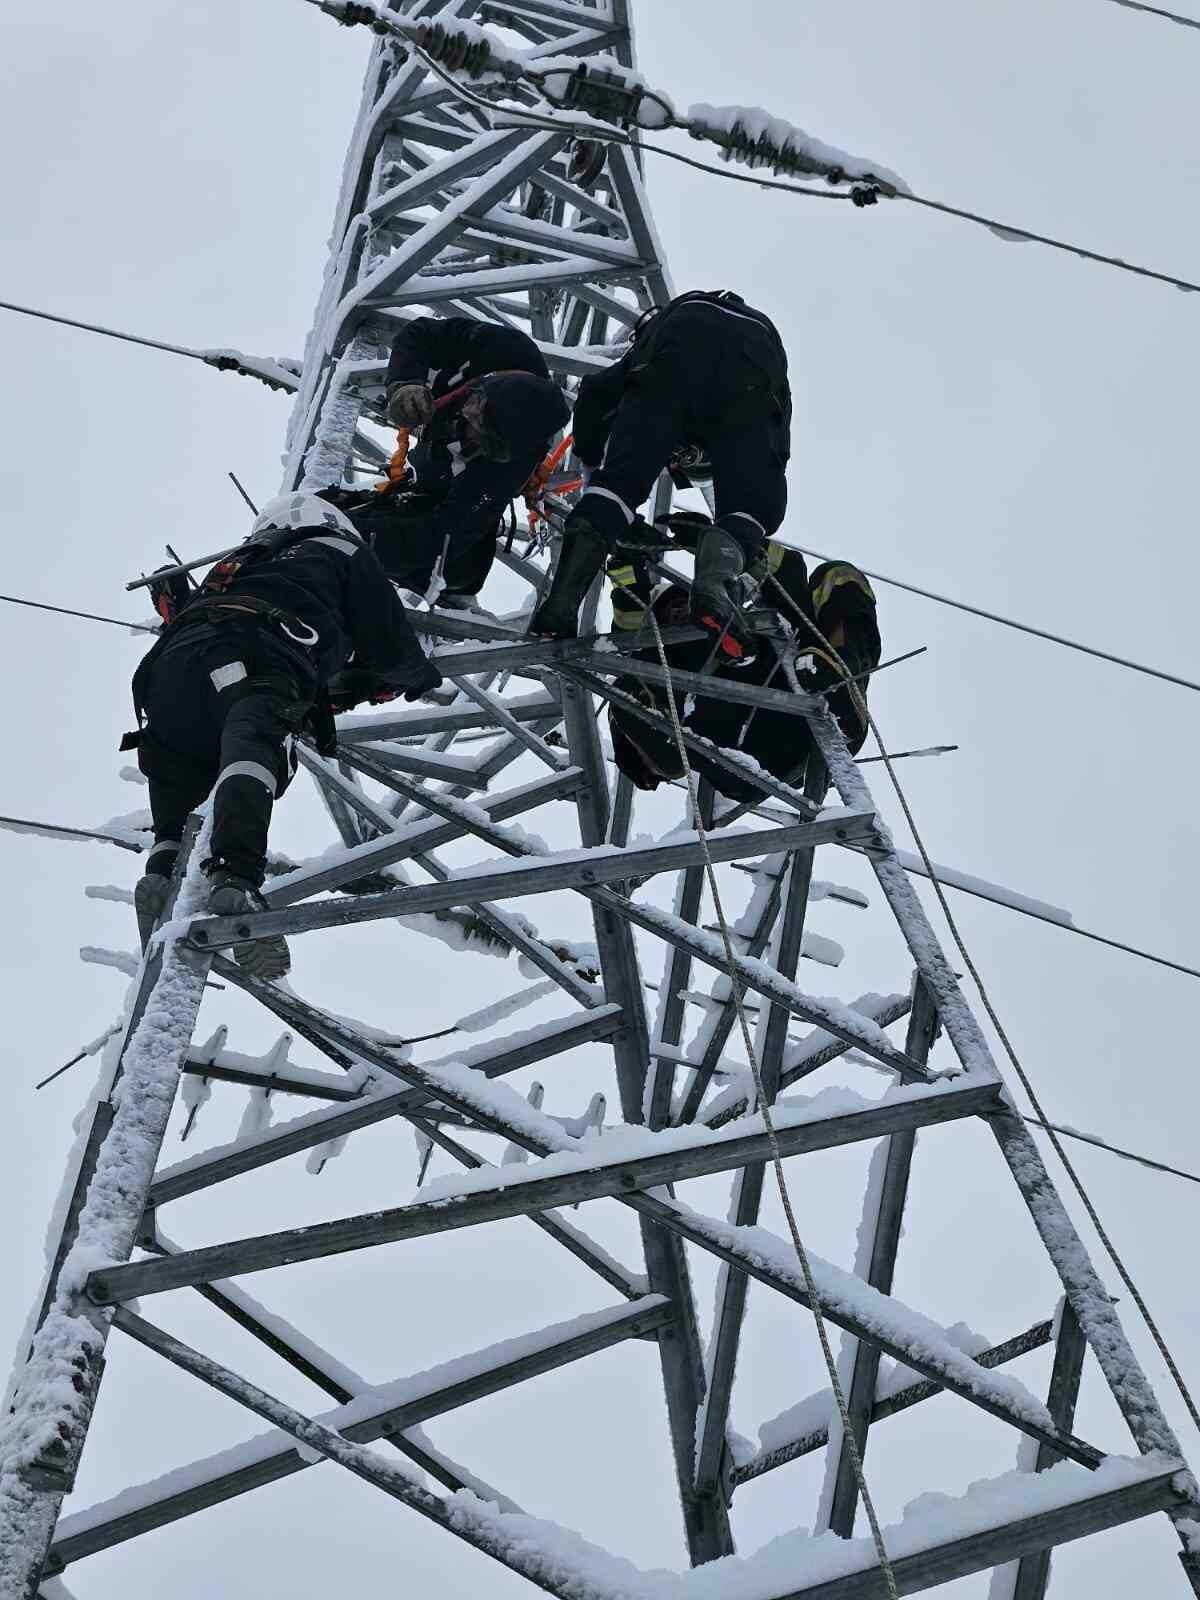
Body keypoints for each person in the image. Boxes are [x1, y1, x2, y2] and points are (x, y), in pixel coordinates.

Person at [126, 492, 442, 978]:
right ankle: (235, 878)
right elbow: (391, 647)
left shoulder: (238, 563)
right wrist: (418, 678)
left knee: (179, 765)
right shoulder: (340, 547)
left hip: (168, 670)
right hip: (257, 649)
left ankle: (164, 866)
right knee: (252, 746)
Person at [529, 290, 791, 656]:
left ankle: (561, 602)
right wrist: (734, 527)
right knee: (753, 509)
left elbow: (594, 394)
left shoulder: (652, 346)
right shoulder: (755, 395)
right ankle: (714, 586)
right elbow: (771, 451)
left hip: (678, 345)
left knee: (618, 486)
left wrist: (594, 471)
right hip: (756, 361)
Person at [605, 530, 880, 804]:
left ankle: (840, 680)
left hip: (807, 695)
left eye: (684, 602)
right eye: (669, 610)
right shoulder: (653, 665)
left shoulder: (744, 625)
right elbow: (629, 620)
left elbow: (786, 571)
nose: (680, 611)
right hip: (747, 755)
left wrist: (725, 543)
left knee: (837, 577)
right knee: (626, 693)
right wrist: (624, 555)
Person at [336, 316, 569, 606]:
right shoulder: (503, 347)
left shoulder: (505, 470)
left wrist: (349, 536)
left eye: (480, 436)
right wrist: (404, 382)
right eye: (474, 414)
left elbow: (443, 536)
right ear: (485, 390)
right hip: (439, 427)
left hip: (451, 487)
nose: (467, 427)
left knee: (455, 567)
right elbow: (418, 333)